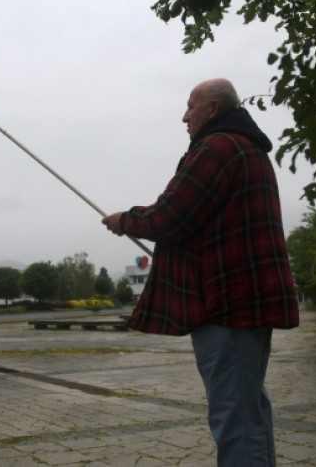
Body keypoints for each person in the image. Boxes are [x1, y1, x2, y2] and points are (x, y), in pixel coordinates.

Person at [101, 78, 298, 466]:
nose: (184, 116)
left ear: (213, 108)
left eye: (190, 106)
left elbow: (172, 213)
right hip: (247, 304)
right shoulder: (245, 147)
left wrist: (126, 219)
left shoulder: (217, 146)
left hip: (227, 305)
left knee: (236, 419)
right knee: (249, 412)